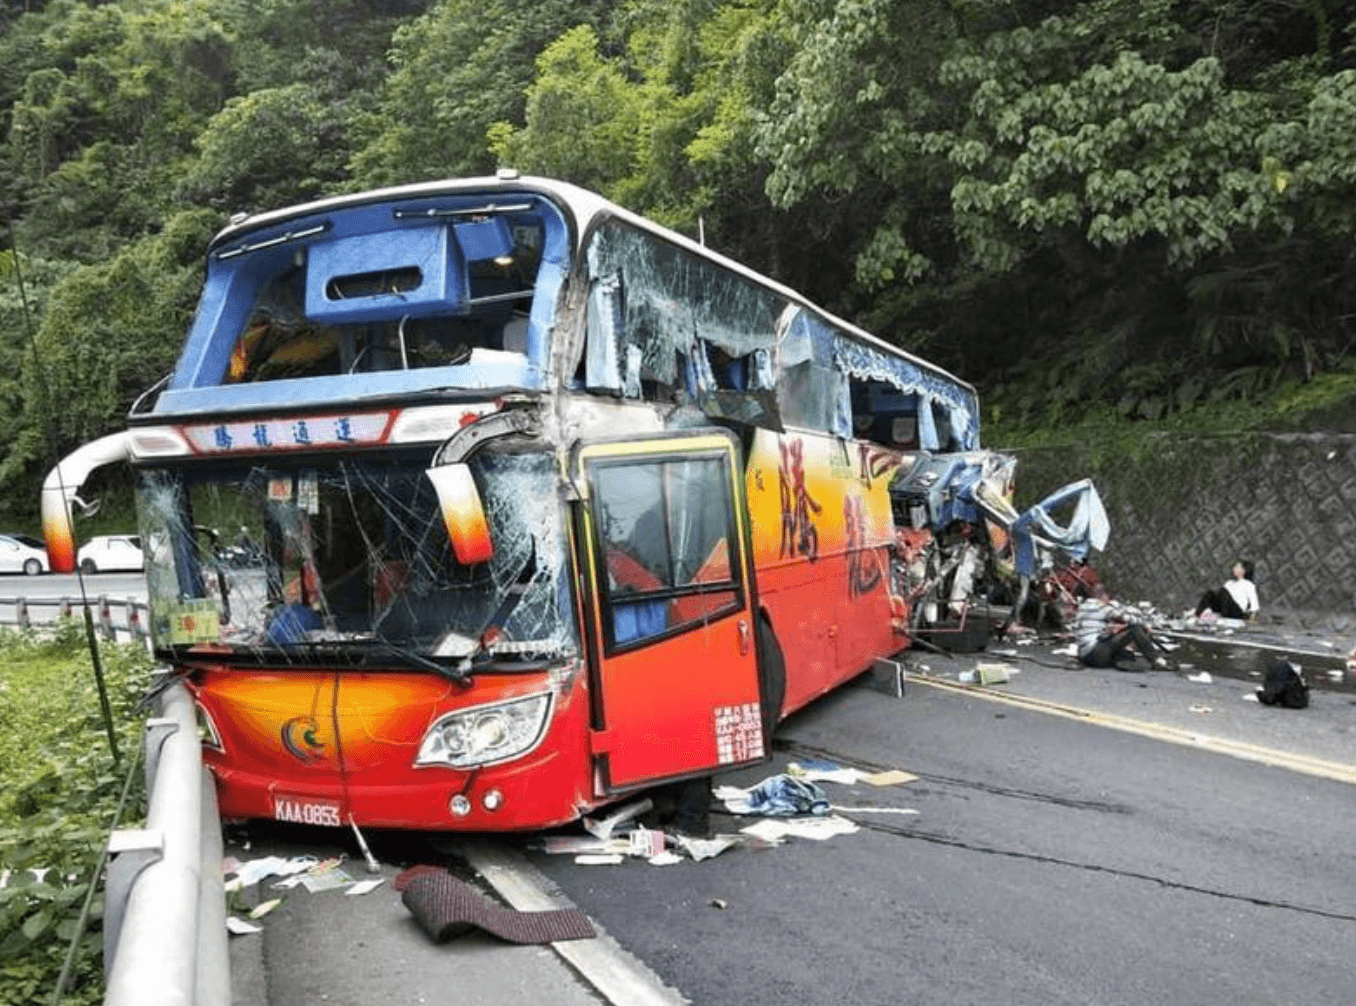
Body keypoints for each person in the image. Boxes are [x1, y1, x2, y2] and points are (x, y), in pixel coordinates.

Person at [1074, 595, 1175, 671]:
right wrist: (1146, 625)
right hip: (1096, 653)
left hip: (1084, 656)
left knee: (1119, 642)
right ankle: (1157, 661)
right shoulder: (1102, 608)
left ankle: (1123, 659)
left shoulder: (1082, 608)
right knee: (1135, 629)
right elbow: (1129, 619)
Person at [1194, 560, 1259, 620]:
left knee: (1223, 592)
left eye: (1237, 567)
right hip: (1224, 608)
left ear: (1244, 570)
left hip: (1236, 612)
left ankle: (1220, 616)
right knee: (1210, 594)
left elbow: (1254, 605)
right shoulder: (1229, 583)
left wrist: (1252, 619)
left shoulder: (1249, 584)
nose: (1234, 568)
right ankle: (1198, 614)